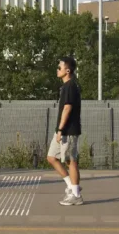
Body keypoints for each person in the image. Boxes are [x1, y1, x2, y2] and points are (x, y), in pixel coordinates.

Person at [46, 55, 83, 206]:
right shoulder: (66, 86)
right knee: (51, 157)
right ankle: (71, 186)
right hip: (62, 130)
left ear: (67, 70)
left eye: (59, 67)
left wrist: (61, 129)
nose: (57, 69)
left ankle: (76, 195)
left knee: (70, 160)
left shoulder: (70, 86)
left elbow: (67, 108)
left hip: (68, 130)